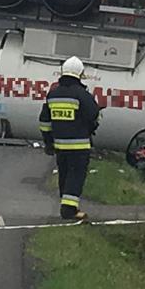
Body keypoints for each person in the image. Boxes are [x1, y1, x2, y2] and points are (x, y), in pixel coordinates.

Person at [39, 56, 99, 220]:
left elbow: (44, 121)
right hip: (79, 147)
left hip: (60, 146)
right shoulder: (81, 94)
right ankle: (69, 210)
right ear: (80, 74)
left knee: (64, 176)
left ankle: (67, 205)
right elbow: (94, 114)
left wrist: (48, 143)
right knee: (76, 176)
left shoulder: (53, 94)